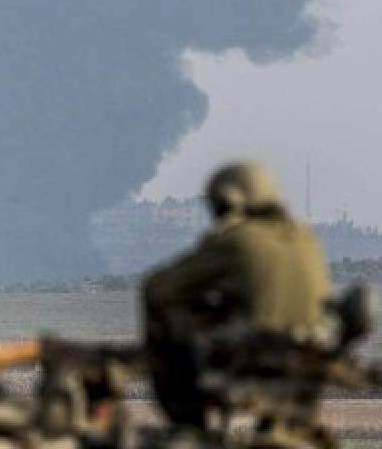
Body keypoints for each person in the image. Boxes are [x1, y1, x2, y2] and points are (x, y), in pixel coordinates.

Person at [141, 161, 332, 434]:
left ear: (231, 201)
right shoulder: (306, 241)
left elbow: (158, 288)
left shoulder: (239, 241)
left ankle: (187, 416)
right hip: (307, 364)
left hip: (253, 358)